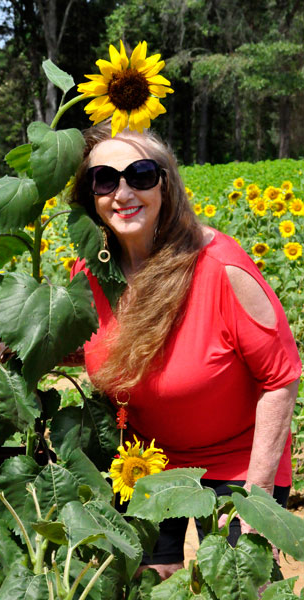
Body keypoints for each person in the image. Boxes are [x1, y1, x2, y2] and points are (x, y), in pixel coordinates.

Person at [69, 121, 302, 579]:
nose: (122, 193)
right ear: (89, 197)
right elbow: (97, 345)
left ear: (166, 183)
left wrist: (254, 500)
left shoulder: (220, 268)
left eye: (140, 174)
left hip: (238, 460)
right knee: (150, 580)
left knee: (237, 581)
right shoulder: (91, 269)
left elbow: (281, 377)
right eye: (105, 180)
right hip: (144, 462)